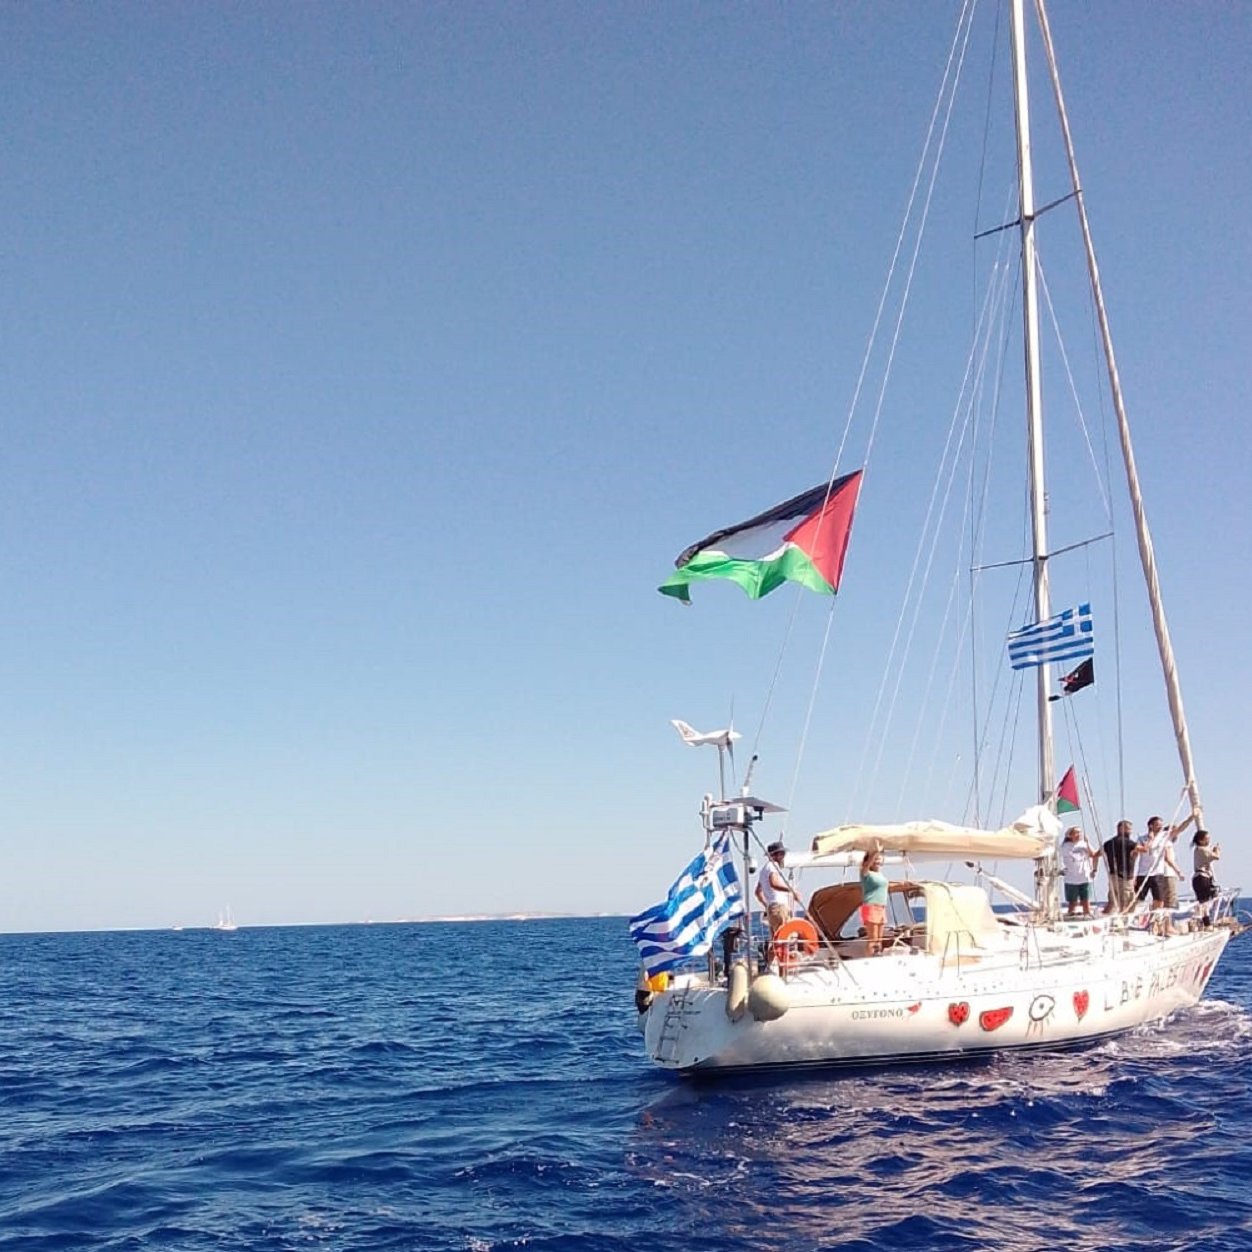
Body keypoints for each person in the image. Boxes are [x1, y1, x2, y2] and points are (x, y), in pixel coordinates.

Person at [859, 849, 919, 955]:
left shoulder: (880, 875)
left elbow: (886, 886)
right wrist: (875, 850)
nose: (877, 861)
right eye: (875, 859)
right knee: (872, 940)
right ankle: (869, 958)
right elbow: (866, 864)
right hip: (871, 907)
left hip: (881, 907)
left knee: (879, 940)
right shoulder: (866, 873)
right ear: (869, 860)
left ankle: (877, 957)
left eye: (879, 859)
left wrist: (904, 884)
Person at [755, 840, 803, 937]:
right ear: (777, 855)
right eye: (783, 854)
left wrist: (767, 905)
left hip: (772, 909)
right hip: (779, 907)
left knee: (777, 939)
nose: (784, 857)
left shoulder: (764, 870)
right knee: (784, 937)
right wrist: (792, 890)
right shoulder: (773, 866)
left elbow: (758, 892)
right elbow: (774, 883)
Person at [1059, 826, 1098, 918]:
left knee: (1085, 900)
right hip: (1071, 878)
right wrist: (1060, 869)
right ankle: (1071, 915)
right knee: (1072, 901)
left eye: (1080, 832)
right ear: (1070, 835)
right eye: (1076, 833)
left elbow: (1094, 855)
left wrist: (1094, 870)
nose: (1078, 835)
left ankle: (1087, 915)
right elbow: (1056, 858)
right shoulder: (1064, 846)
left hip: (1084, 876)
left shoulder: (1084, 844)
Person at [1101, 819, 1138, 914]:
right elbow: (1145, 849)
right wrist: (1150, 839)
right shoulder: (1128, 842)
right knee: (1127, 901)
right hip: (1123, 877)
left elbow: (1096, 854)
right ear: (1121, 829)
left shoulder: (1108, 843)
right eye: (1128, 829)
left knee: (1113, 901)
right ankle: (1122, 920)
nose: (1130, 831)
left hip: (1113, 875)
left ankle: (1104, 916)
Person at [1191, 829, 1221, 915]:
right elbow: (1216, 857)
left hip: (1198, 878)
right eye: (1207, 839)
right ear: (1201, 840)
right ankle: (1207, 921)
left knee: (1203, 901)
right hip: (1202, 878)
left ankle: (1205, 921)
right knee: (1207, 900)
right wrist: (1217, 849)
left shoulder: (1197, 850)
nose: (1209, 841)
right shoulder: (1202, 850)